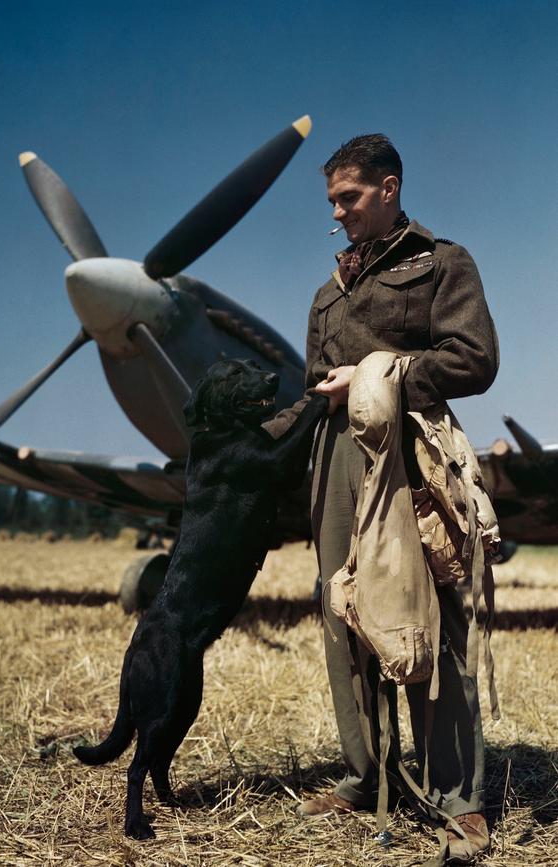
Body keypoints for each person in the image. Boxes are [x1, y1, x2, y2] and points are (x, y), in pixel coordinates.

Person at [263, 134, 498, 863]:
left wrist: (378, 374)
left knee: (437, 616)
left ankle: (457, 797)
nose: (337, 215)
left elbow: (475, 358)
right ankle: (365, 773)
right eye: (331, 201)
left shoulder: (442, 263)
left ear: (389, 188)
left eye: (350, 199)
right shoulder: (324, 294)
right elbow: (311, 389)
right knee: (346, 611)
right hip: (335, 458)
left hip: (414, 453)